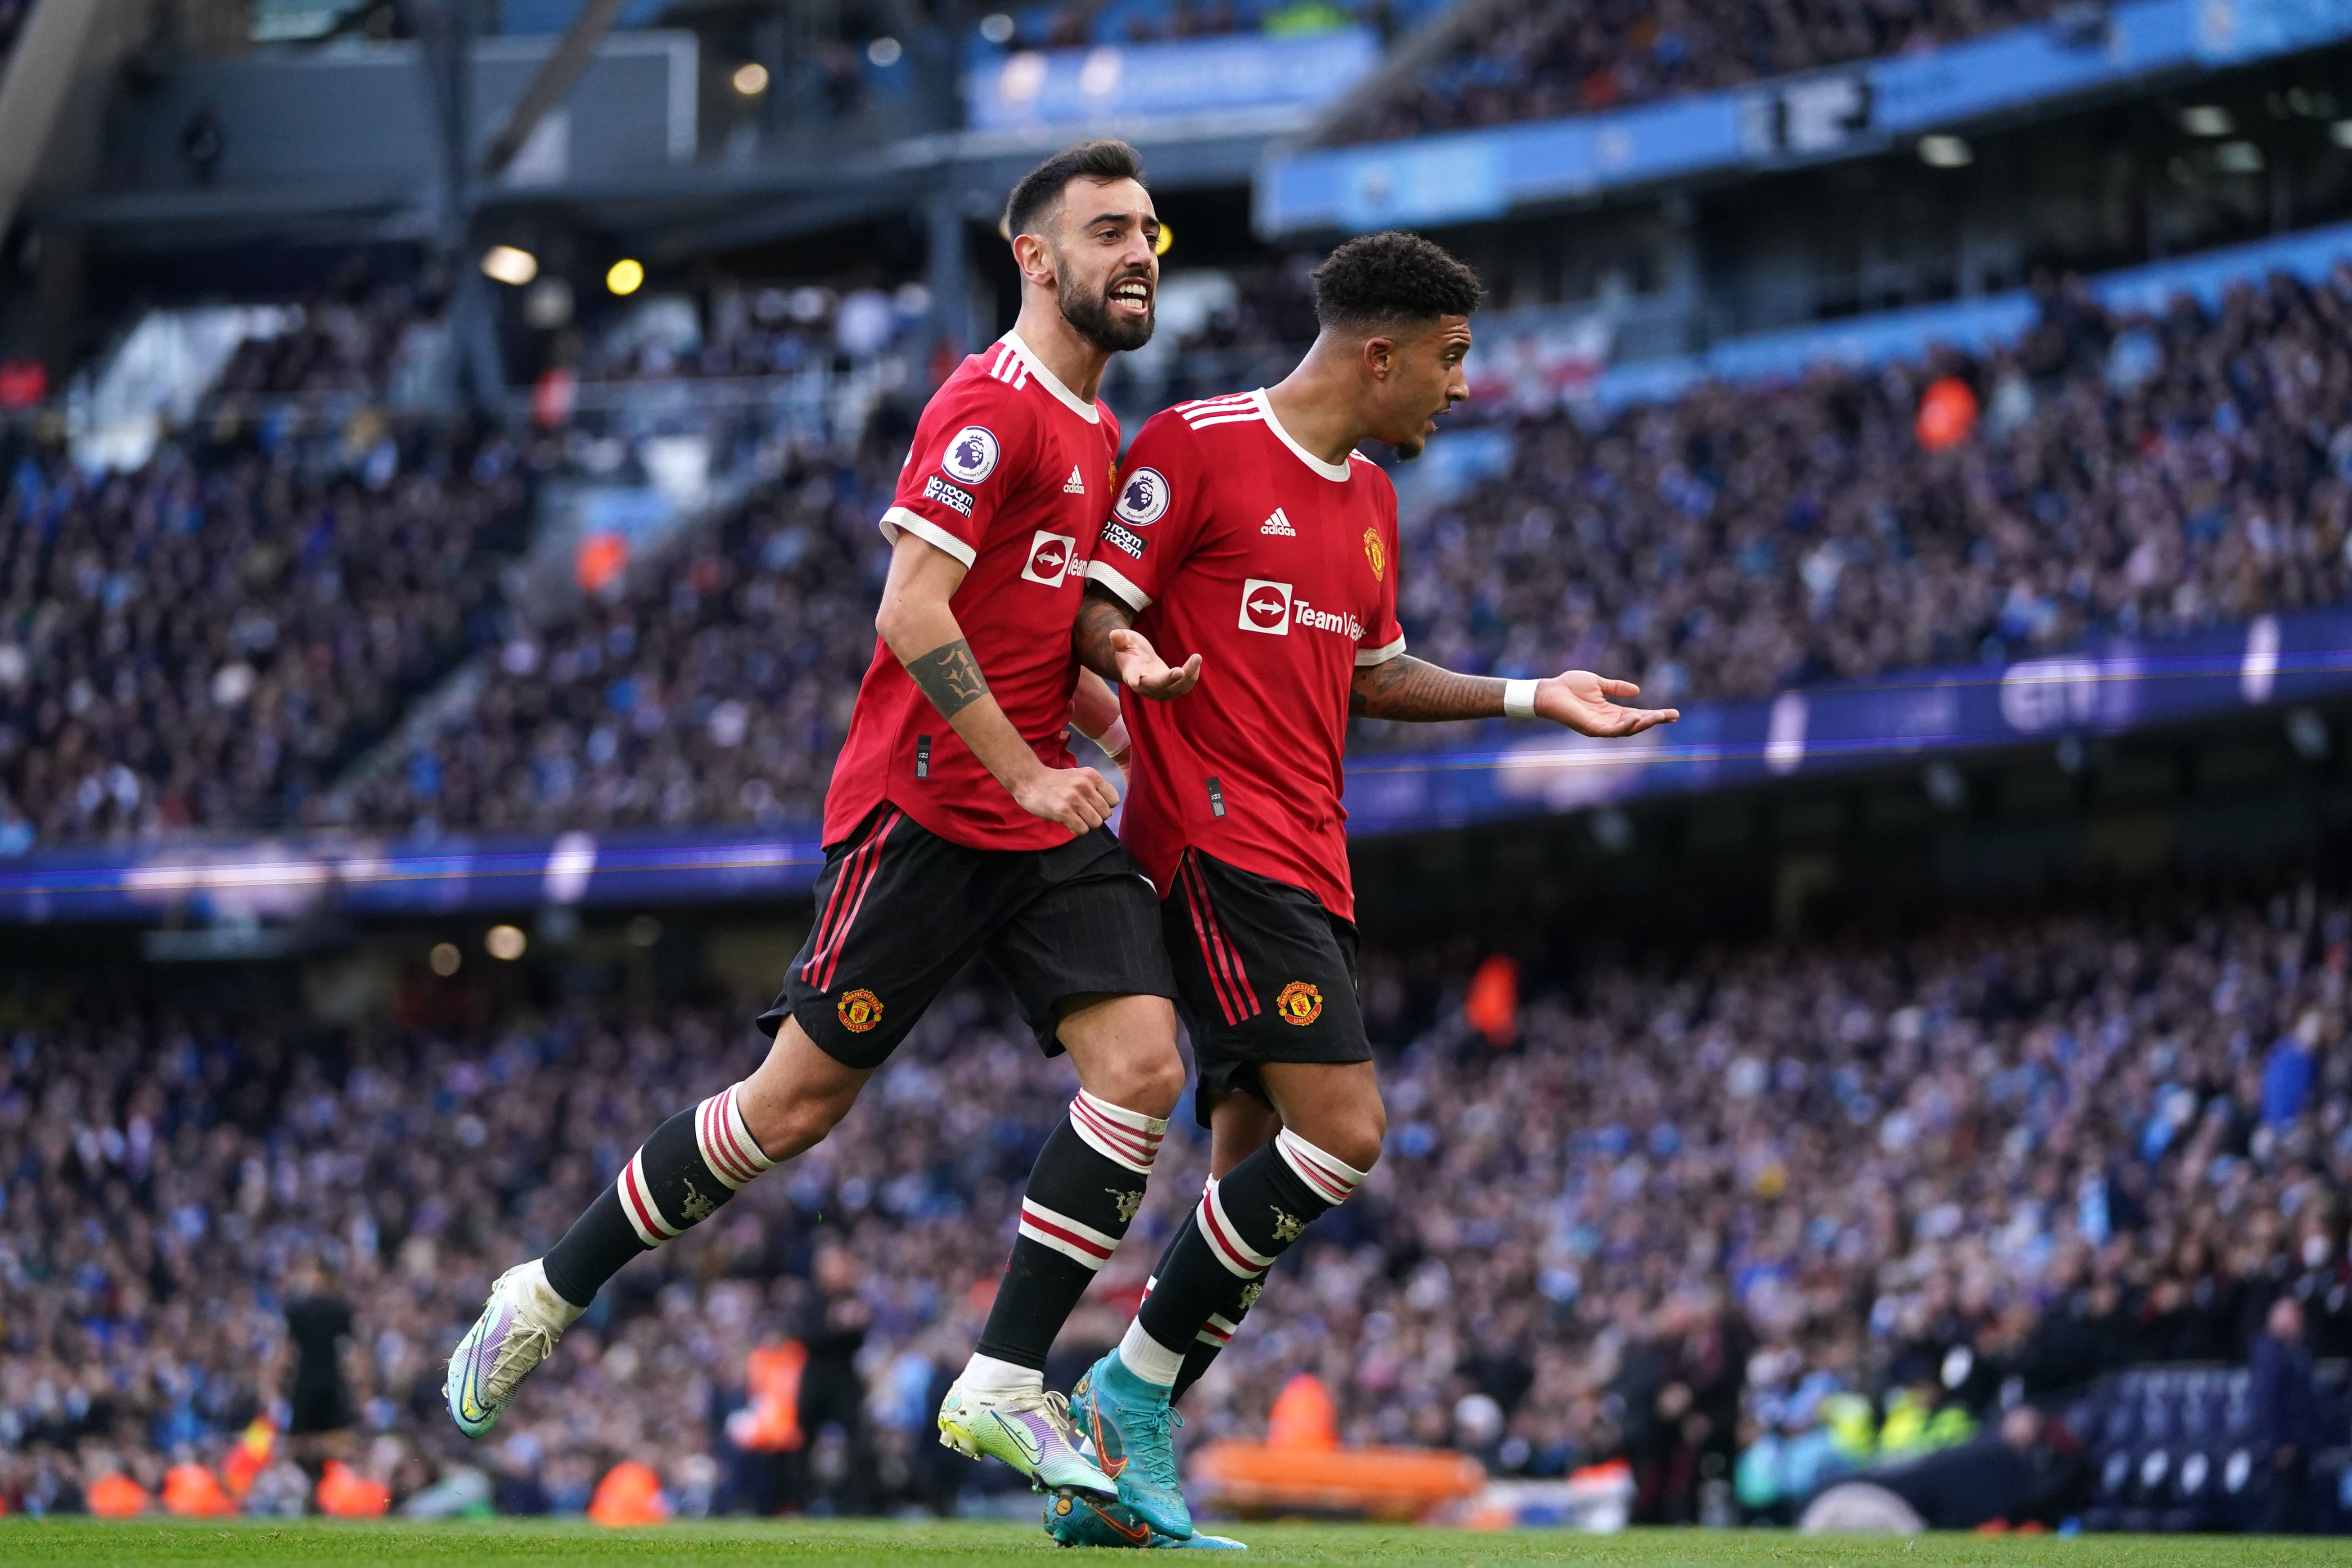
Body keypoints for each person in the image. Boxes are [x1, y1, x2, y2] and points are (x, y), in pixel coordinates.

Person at [448, 138, 1208, 1509]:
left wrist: (1114, 708)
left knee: (1144, 1068)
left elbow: (1029, 631)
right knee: (791, 1108)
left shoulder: (1098, 431)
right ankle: (547, 1287)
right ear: (1034, 259)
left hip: (1033, 814)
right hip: (919, 812)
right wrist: (1034, 771)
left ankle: (1002, 1384)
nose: (1140, 250)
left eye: (1149, 228)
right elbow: (910, 614)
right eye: (1107, 231)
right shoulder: (988, 409)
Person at [1050, 229, 1676, 1545]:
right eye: (1449, 360)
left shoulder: (1373, 503)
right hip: (1214, 841)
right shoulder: (1195, 443)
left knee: (1242, 1192)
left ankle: (1114, 1493)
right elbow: (1085, 620)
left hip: (1310, 851)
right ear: (1377, 353)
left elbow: (1369, 674)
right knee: (1341, 1133)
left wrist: (1526, 695)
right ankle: (1121, 1389)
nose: (1460, 387)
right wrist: (1134, 709)